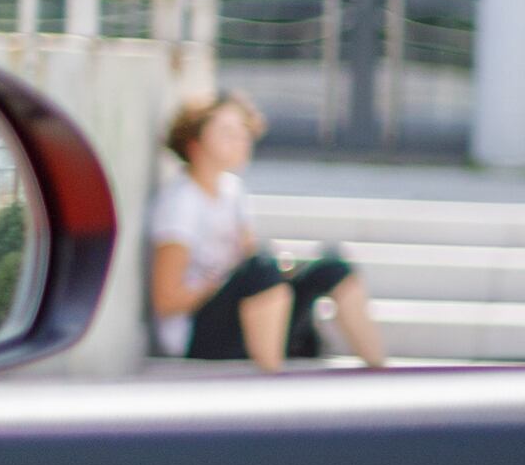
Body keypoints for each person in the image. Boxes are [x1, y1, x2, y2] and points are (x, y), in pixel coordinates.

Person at [149, 92, 385, 369]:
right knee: (261, 268)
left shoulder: (232, 190)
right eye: (227, 133)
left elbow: (249, 258)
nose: (241, 141)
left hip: (242, 315)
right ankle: (272, 381)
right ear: (195, 144)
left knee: (331, 267)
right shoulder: (182, 203)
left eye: (243, 132)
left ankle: (380, 371)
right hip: (197, 335)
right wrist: (223, 283)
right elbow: (165, 299)